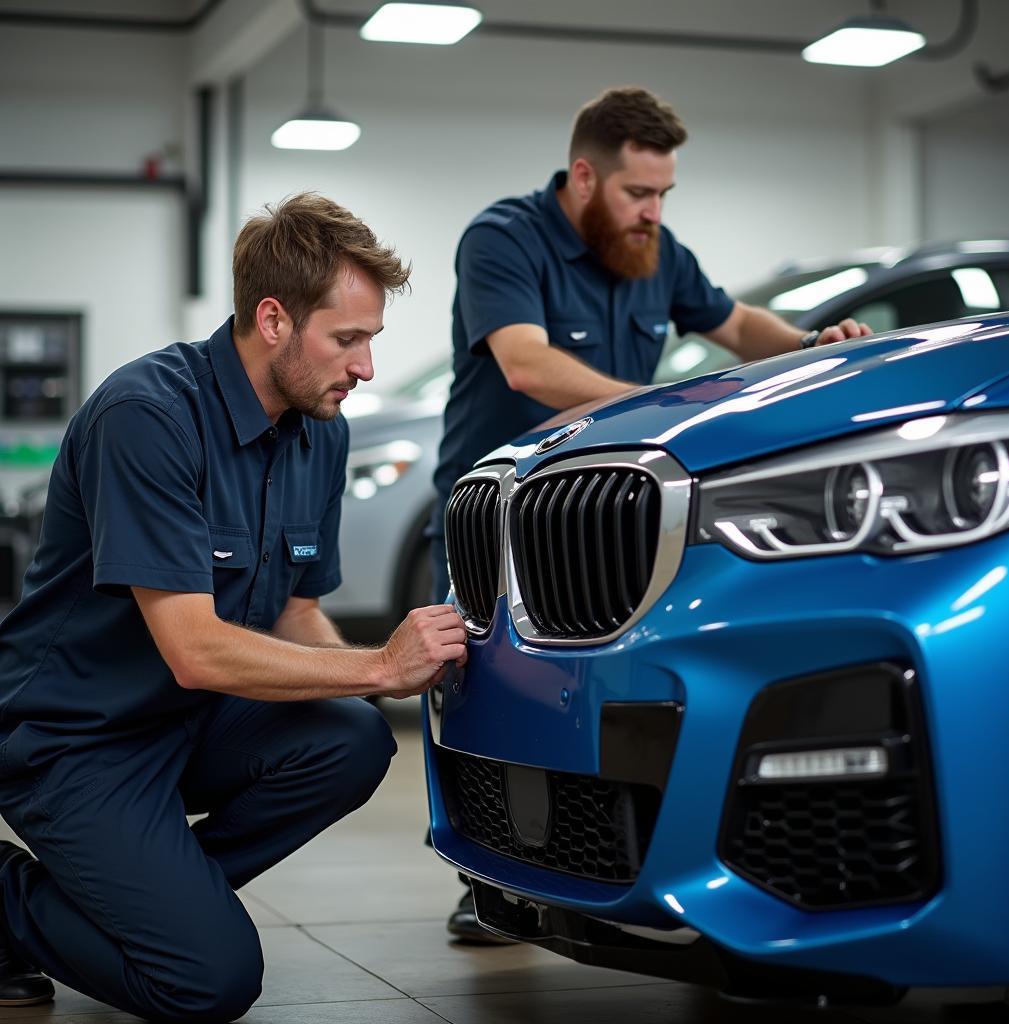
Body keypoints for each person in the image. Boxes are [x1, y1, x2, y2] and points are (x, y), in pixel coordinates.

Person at [0, 193, 467, 1018]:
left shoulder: (322, 430)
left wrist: (403, 678)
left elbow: (293, 613)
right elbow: (193, 648)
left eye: (372, 342)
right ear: (275, 319)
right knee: (204, 981)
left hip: (192, 722)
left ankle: (146, 897)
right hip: (76, 738)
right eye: (348, 340)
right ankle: (14, 905)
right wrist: (380, 664)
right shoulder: (148, 415)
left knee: (353, 738)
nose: (365, 369)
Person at [429, 86, 870, 942]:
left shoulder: (655, 252)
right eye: (639, 193)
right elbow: (527, 368)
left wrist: (812, 351)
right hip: (501, 531)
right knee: (495, 693)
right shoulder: (504, 238)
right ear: (586, 176)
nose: (653, 211)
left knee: (601, 700)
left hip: (612, 523)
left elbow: (736, 325)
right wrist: (653, 410)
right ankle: (486, 873)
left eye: (665, 194)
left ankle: (608, 862)